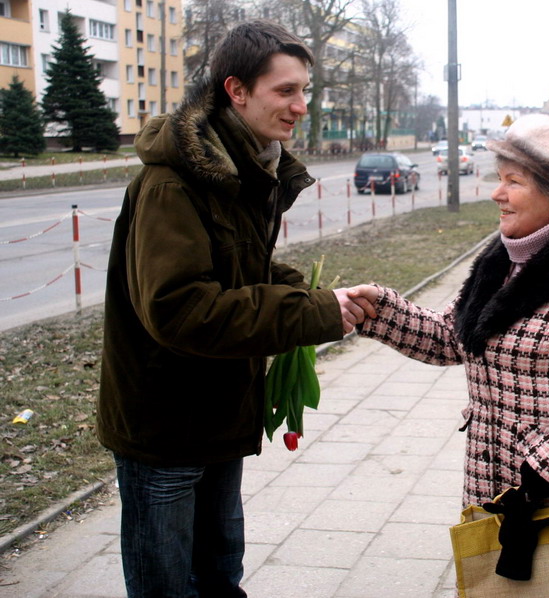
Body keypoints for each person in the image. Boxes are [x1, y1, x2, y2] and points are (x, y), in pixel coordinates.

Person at [97, 20, 375, 597]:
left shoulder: (251, 166)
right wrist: (308, 312)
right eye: (285, 91)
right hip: (166, 424)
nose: (301, 106)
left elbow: (237, 267)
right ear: (237, 90)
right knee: (169, 589)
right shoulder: (175, 184)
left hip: (220, 412)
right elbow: (179, 309)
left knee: (221, 579)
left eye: (306, 91)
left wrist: (314, 297)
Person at [349, 114, 549, 596]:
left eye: (513, 181)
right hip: (496, 490)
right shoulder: (502, 259)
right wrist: (379, 312)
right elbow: (453, 338)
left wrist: (547, 462)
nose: (495, 193)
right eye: (498, 178)